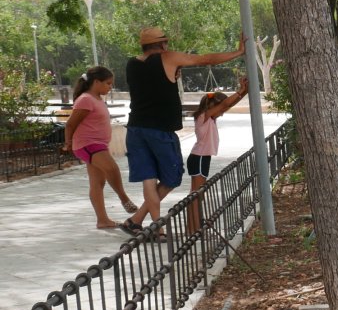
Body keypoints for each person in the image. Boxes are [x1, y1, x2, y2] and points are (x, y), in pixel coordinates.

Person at [119, 27, 245, 240]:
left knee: (148, 180)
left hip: (136, 129)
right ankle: (153, 228)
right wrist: (238, 52)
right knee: (171, 178)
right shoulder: (167, 58)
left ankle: (140, 223)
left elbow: (153, 85)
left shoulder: (132, 64)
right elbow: (205, 59)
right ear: (162, 44)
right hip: (160, 130)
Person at [62, 66, 139, 228]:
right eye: (108, 83)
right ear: (96, 82)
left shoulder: (96, 98)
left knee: (98, 183)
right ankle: (124, 198)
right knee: (112, 168)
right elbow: (70, 125)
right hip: (88, 144)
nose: (110, 87)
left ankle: (102, 220)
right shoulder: (85, 99)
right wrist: (68, 143)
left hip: (98, 144)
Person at [185, 77, 249, 234]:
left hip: (201, 157)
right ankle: (193, 230)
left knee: (197, 194)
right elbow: (225, 104)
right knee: (196, 195)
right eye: (219, 109)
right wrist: (240, 90)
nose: (222, 112)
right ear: (212, 106)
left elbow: (227, 105)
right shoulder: (204, 116)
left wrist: (244, 91)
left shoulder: (209, 117)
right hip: (199, 157)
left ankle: (192, 229)